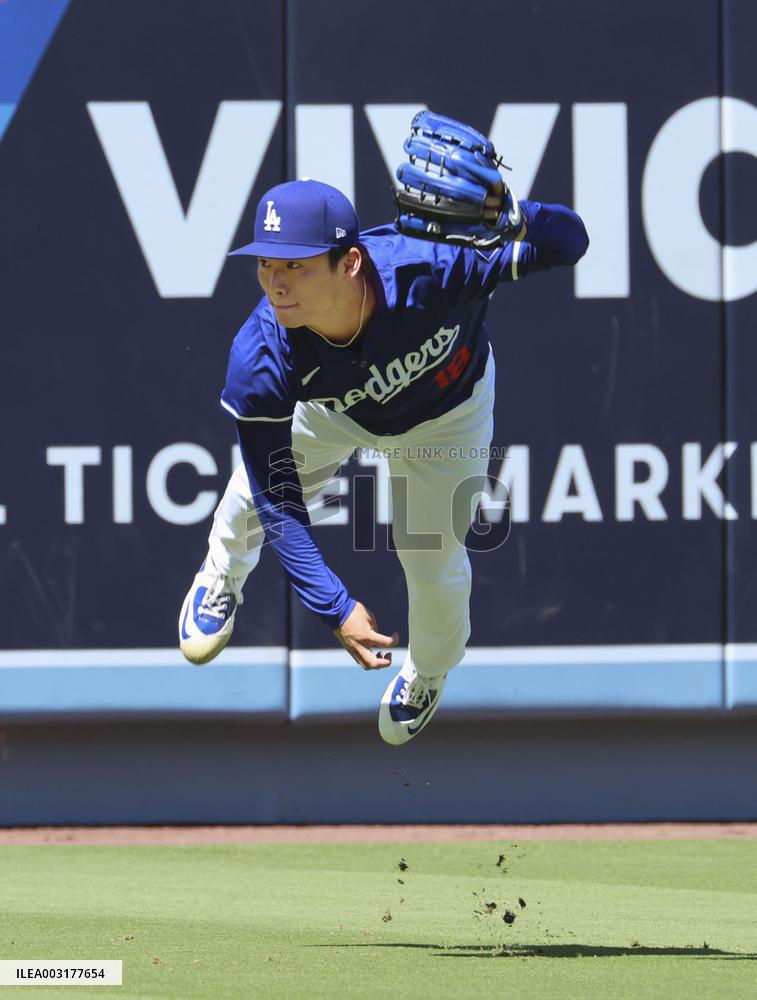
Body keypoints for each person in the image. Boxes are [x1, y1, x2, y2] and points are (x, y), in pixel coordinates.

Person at [178, 167, 588, 745]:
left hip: (447, 412)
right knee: (250, 496)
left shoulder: (436, 266)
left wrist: (514, 212)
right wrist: (336, 607)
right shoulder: (262, 353)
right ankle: (221, 575)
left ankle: (429, 671)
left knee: (432, 563)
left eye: (295, 264)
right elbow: (279, 502)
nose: (276, 283)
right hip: (333, 410)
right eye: (266, 264)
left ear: (349, 262)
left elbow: (570, 244)